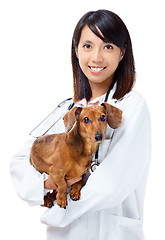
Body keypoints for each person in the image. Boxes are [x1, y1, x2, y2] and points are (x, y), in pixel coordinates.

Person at [10, 9, 151, 240]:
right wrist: (49, 183)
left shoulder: (131, 106)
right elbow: (18, 162)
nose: (96, 57)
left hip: (110, 232)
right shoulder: (67, 110)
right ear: (76, 51)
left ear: (122, 53)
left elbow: (113, 184)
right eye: (87, 46)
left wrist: (55, 213)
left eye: (108, 47)